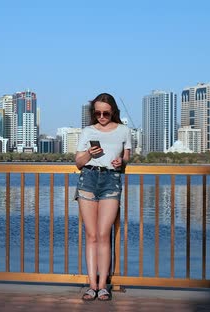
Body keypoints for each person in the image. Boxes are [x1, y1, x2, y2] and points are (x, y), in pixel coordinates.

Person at [74, 92, 131, 301]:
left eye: (105, 113)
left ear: (113, 111)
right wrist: (90, 153)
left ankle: (103, 285)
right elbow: (78, 162)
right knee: (91, 235)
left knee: (103, 235)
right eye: (97, 112)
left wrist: (121, 163)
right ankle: (91, 286)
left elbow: (126, 158)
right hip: (88, 179)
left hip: (111, 181)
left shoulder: (124, 131)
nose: (101, 116)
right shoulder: (87, 131)